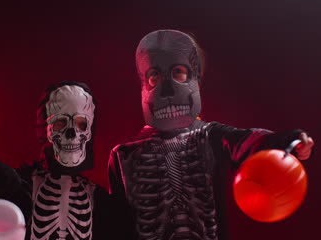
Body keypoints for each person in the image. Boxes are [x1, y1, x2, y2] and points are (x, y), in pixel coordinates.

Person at [107, 30, 314, 240]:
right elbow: (118, 224)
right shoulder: (123, 155)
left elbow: (250, 142)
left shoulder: (210, 137)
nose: (167, 88)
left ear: (195, 81)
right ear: (143, 83)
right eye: (155, 75)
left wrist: (290, 141)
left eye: (178, 71)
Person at [0, 81, 113, 240]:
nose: (72, 134)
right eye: (60, 123)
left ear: (90, 130)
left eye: (81, 124)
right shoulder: (15, 184)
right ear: (44, 127)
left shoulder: (101, 201)